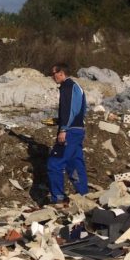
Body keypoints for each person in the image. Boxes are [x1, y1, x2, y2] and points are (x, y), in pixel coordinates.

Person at [48, 63, 88, 205]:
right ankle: (83, 194)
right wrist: (59, 121)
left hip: (70, 131)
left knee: (54, 163)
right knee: (74, 162)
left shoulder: (68, 86)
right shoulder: (76, 87)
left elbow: (70, 108)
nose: (52, 77)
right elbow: (82, 110)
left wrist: (64, 128)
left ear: (62, 73)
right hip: (78, 129)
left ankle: (58, 198)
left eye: (54, 73)